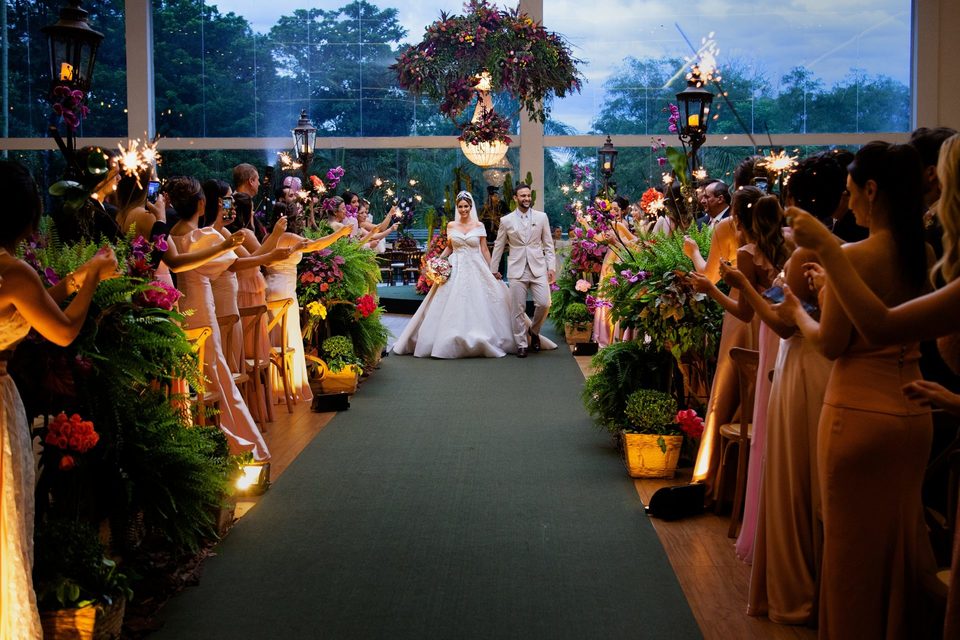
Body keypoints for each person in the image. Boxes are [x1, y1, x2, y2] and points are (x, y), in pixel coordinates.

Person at [777, 141, 935, 639]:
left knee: (849, 556)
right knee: (898, 546)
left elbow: (832, 343)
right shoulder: (923, 252)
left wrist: (800, 309)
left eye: (852, 192)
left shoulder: (854, 256)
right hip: (915, 412)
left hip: (859, 411)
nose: (850, 204)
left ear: (871, 190)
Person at [0, 160, 119, 639]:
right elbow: (64, 331)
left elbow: (20, 312)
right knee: (8, 527)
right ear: (25, 216)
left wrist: (66, 284)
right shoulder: (13, 271)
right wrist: (91, 273)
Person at [166, 176, 270, 461]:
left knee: (191, 376)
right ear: (202, 204)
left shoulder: (170, 235)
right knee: (215, 370)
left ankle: (197, 434)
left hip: (179, 308)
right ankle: (231, 439)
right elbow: (232, 265)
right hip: (202, 307)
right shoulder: (203, 237)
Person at [393, 191, 531, 358]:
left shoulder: (479, 226)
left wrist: (493, 269)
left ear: (470, 207)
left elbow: (484, 249)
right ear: (457, 208)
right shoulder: (451, 226)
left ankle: (491, 336)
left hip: (476, 265)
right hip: (456, 266)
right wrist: (436, 261)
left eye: (466, 206)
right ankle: (448, 339)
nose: (463, 209)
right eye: (460, 206)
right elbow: (450, 247)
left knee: (484, 299)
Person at [265, 205, 352, 404]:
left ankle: (277, 386)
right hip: (285, 290)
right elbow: (316, 245)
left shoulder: (267, 238)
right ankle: (290, 386)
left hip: (270, 287)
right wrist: (339, 233)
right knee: (288, 335)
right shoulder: (288, 236)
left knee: (276, 336)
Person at [489, 183, 557, 358]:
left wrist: (552, 267)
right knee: (517, 308)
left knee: (544, 303)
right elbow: (498, 245)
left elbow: (549, 245)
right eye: (523, 196)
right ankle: (521, 344)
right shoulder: (506, 220)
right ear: (515, 198)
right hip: (516, 268)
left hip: (538, 267)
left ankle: (533, 331)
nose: (526, 198)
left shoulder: (542, 217)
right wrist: (493, 269)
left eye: (528, 195)